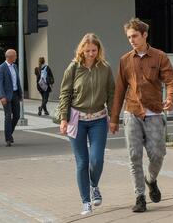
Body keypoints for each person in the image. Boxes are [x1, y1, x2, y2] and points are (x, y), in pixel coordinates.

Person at [110, 18, 173, 213]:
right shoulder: (124, 60)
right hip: (132, 112)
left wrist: (171, 98)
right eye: (129, 37)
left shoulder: (159, 57)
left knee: (158, 154)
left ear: (144, 35)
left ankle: (151, 179)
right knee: (134, 156)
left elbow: (171, 81)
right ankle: (140, 196)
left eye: (135, 36)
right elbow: (119, 91)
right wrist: (114, 119)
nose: (131, 40)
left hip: (155, 112)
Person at [58, 34, 115, 216]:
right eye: (88, 50)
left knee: (97, 159)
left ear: (99, 50)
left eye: (94, 50)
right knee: (82, 162)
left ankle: (94, 185)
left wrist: (114, 117)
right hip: (77, 120)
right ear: (82, 49)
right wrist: (63, 118)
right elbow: (65, 94)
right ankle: (85, 202)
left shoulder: (105, 68)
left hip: (98, 119)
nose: (91, 54)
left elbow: (111, 94)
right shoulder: (73, 68)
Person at [0, 49, 22, 146]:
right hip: (6, 96)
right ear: (10, 57)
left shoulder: (15, 66)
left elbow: (17, 81)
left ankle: (9, 133)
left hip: (15, 94)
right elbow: (0, 83)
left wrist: (20, 93)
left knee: (17, 116)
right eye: (15, 55)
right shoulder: (1, 68)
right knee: (8, 116)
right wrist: (2, 96)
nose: (16, 57)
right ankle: (8, 138)